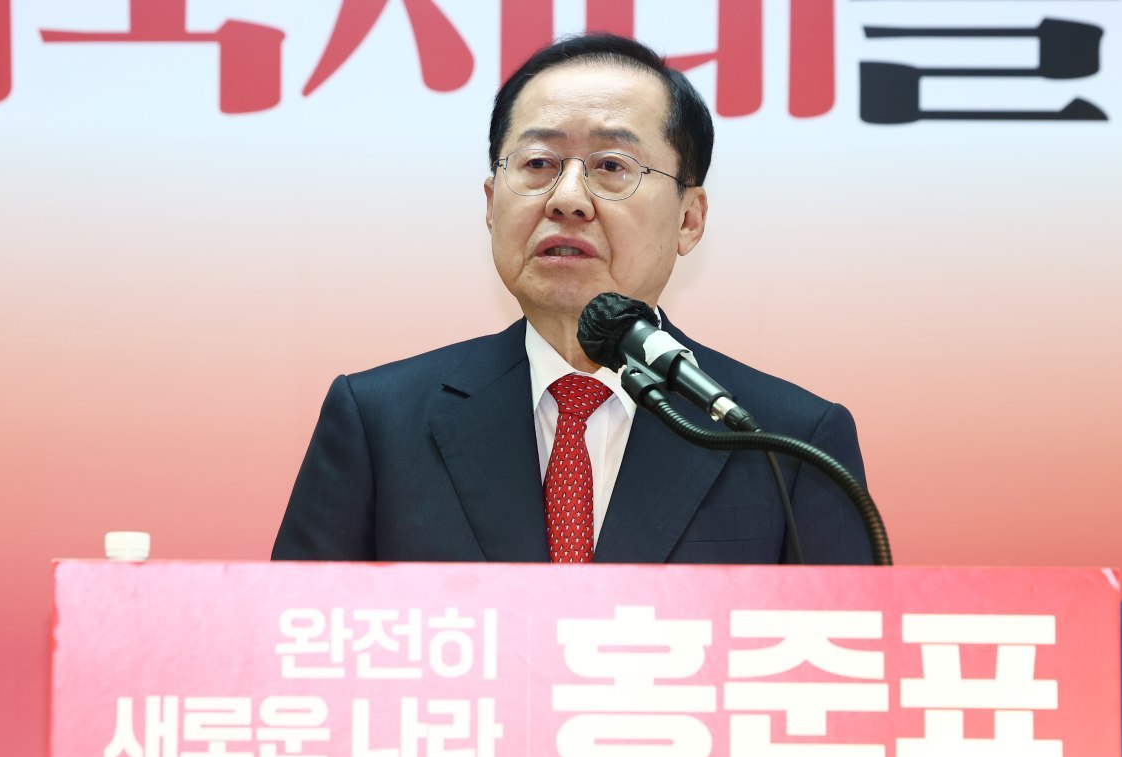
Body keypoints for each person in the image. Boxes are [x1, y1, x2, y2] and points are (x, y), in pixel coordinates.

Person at [272, 33, 872, 565]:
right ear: (491, 204)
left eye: (612, 165)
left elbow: (848, 648)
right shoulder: (378, 422)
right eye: (538, 163)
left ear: (689, 219)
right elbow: (296, 635)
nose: (567, 198)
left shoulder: (788, 442)